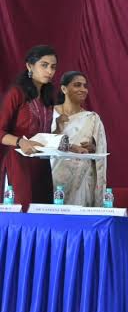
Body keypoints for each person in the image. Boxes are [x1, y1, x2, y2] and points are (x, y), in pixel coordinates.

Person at [0, 45, 58, 210]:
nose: (49, 71)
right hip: (19, 162)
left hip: (41, 164)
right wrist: (20, 142)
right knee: (22, 211)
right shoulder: (16, 93)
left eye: (53, 67)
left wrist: (68, 145)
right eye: (44, 65)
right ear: (29, 66)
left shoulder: (48, 97)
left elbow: (44, 134)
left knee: (43, 211)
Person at [50, 71, 107, 206]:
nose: (83, 89)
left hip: (81, 181)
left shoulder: (92, 118)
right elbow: (40, 143)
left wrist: (93, 148)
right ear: (64, 89)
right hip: (51, 176)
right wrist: (57, 130)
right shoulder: (49, 113)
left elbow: (100, 150)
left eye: (84, 86)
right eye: (77, 85)